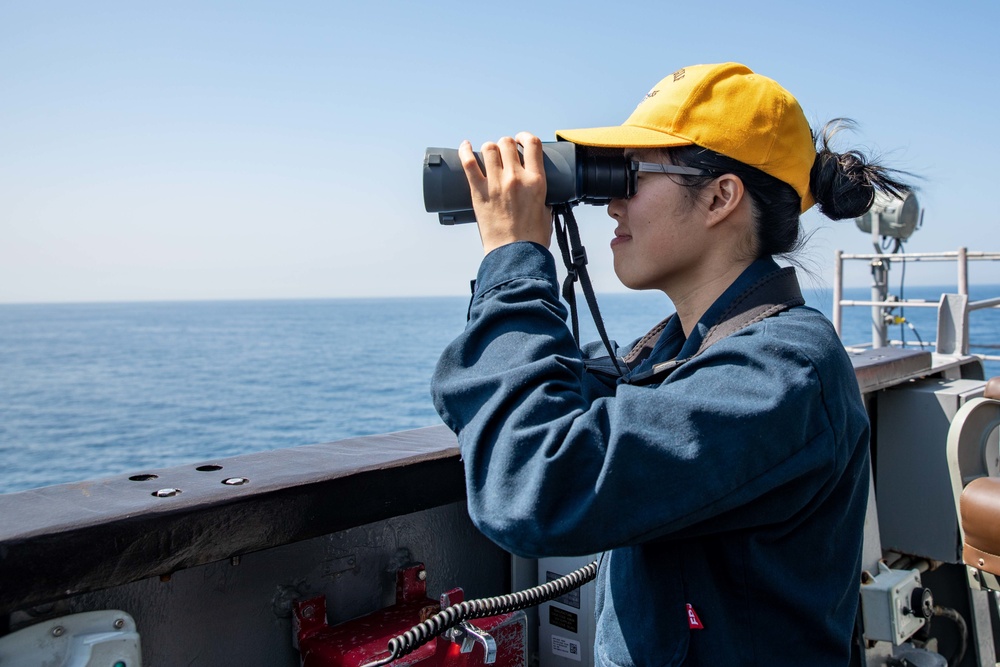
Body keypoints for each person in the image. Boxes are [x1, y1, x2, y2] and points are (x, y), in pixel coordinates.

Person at [430, 62, 910, 666]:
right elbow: (487, 388)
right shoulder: (684, 352)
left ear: (719, 196)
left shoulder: (782, 374)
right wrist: (511, 281)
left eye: (629, 175)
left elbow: (530, 485)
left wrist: (516, 259)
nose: (610, 205)